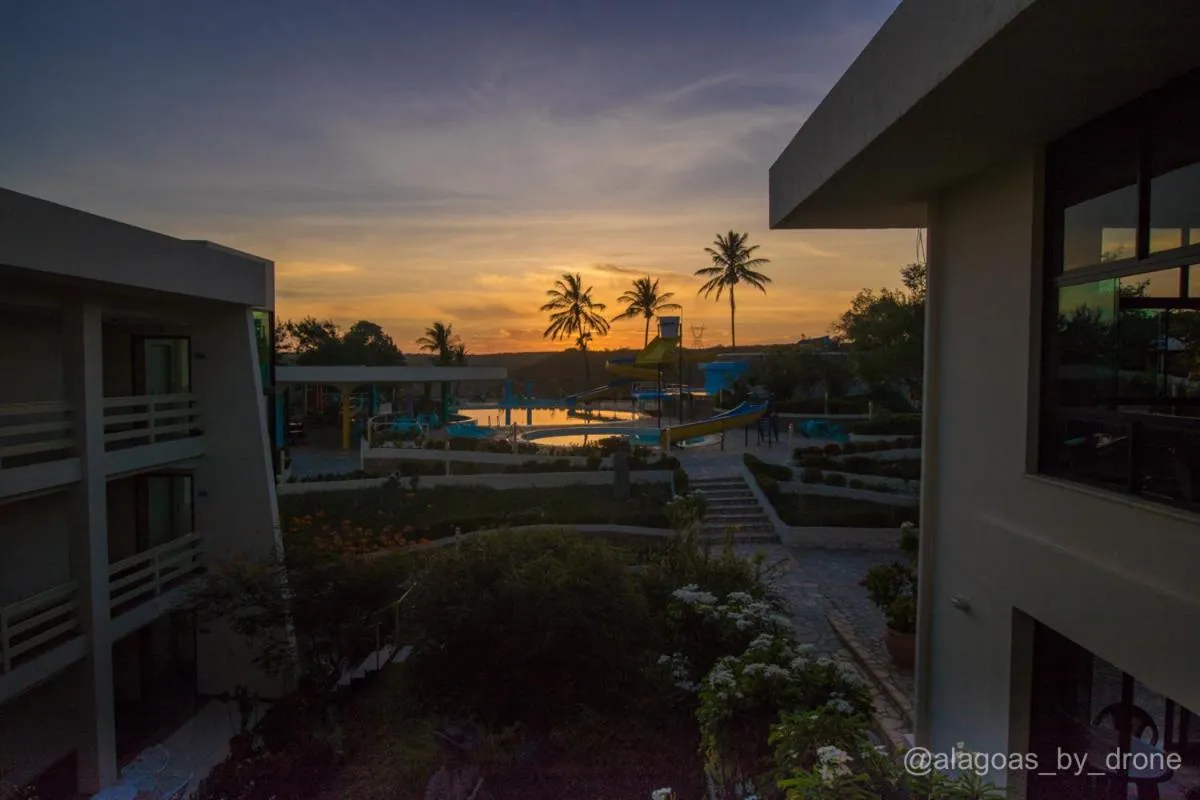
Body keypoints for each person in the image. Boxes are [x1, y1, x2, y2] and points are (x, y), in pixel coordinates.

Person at [425, 723, 488, 800]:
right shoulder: (437, 779)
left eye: (454, 751)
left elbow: (483, 795)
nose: (451, 755)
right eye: (448, 750)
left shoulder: (473, 774)